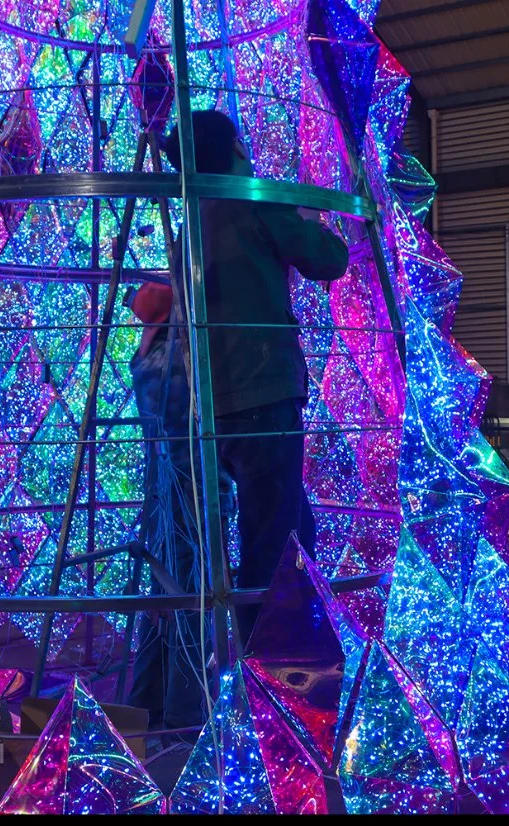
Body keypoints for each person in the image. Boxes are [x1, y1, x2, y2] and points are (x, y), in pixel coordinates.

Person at [164, 109, 350, 648]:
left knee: (293, 528)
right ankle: (259, 677)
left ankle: (306, 649)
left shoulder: (193, 222)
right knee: (270, 546)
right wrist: (316, 219)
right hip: (264, 393)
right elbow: (327, 259)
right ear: (235, 151)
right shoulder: (251, 200)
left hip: (216, 404)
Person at [126, 281, 235, 743]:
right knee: (192, 595)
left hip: (161, 490)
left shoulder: (145, 357)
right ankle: (187, 714)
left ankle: (145, 703)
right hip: (190, 489)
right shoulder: (180, 357)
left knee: (161, 597)